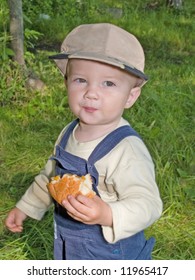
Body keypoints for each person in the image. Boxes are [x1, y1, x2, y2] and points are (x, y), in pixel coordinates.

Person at [5, 23, 163, 260]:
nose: (91, 92)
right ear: (66, 83)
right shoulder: (69, 132)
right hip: (71, 246)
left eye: (108, 83)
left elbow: (148, 204)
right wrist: (26, 207)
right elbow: (51, 176)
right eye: (80, 80)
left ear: (130, 96)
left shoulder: (126, 149)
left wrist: (108, 214)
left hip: (111, 254)